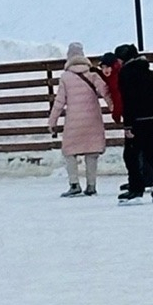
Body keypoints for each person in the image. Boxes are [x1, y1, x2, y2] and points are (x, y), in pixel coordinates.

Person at [114, 43, 153, 202]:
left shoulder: (126, 74)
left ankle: (136, 189)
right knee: (152, 153)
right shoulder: (148, 72)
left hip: (137, 120)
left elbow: (129, 100)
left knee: (131, 155)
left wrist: (128, 125)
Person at [48, 43, 111, 196]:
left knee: (69, 152)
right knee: (92, 152)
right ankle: (91, 186)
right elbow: (106, 93)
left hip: (74, 122)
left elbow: (59, 102)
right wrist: (116, 110)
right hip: (92, 120)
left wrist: (52, 121)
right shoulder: (93, 74)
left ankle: (74, 184)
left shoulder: (65, 77)